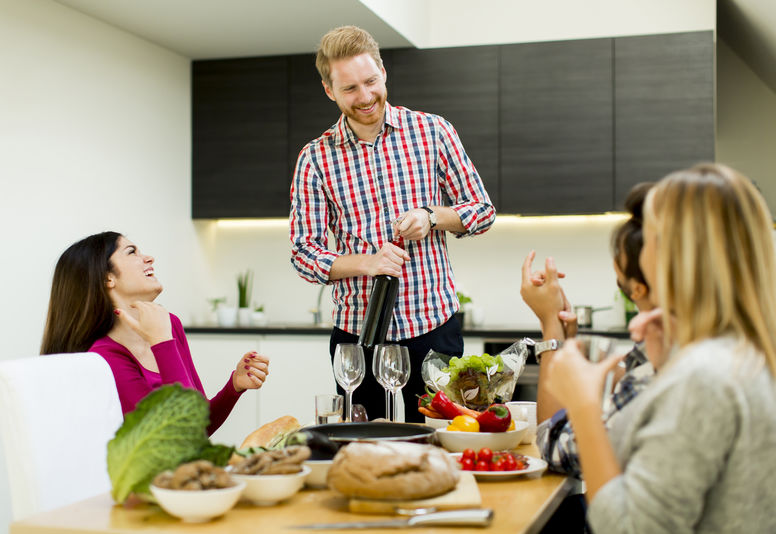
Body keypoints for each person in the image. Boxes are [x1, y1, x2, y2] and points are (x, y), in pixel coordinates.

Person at [545, 163, 776, 533]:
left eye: (649, 236)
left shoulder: (703, 377)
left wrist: (585, 404)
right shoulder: (745, 352)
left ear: (677, 255)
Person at [289, 26, 495, 422]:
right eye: (349, 89)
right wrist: (366, 263)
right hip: (358, 337)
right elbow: (303, 253)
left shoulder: (432, 131)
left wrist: (432, 217)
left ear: (382, 72)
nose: (365, 97)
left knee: (444, 443)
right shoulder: (314, 158)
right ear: (329, 91)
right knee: (365, 452)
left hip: (434, 329)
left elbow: (482, 210)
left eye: (370, 81)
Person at [41, 232, 269, 436]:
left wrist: (233, 387)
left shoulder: (169, 325)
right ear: (106, 278)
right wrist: (162, 343)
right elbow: (182, 439)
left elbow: (199, 425)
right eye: (132, 252)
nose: (149, 258)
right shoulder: (104, 356)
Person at [522, 182, 655, 478]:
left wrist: (550, 329)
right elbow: (627, 377)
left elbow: (553, 445)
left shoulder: (666, 376)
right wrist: (569, 344)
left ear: (638, 288)